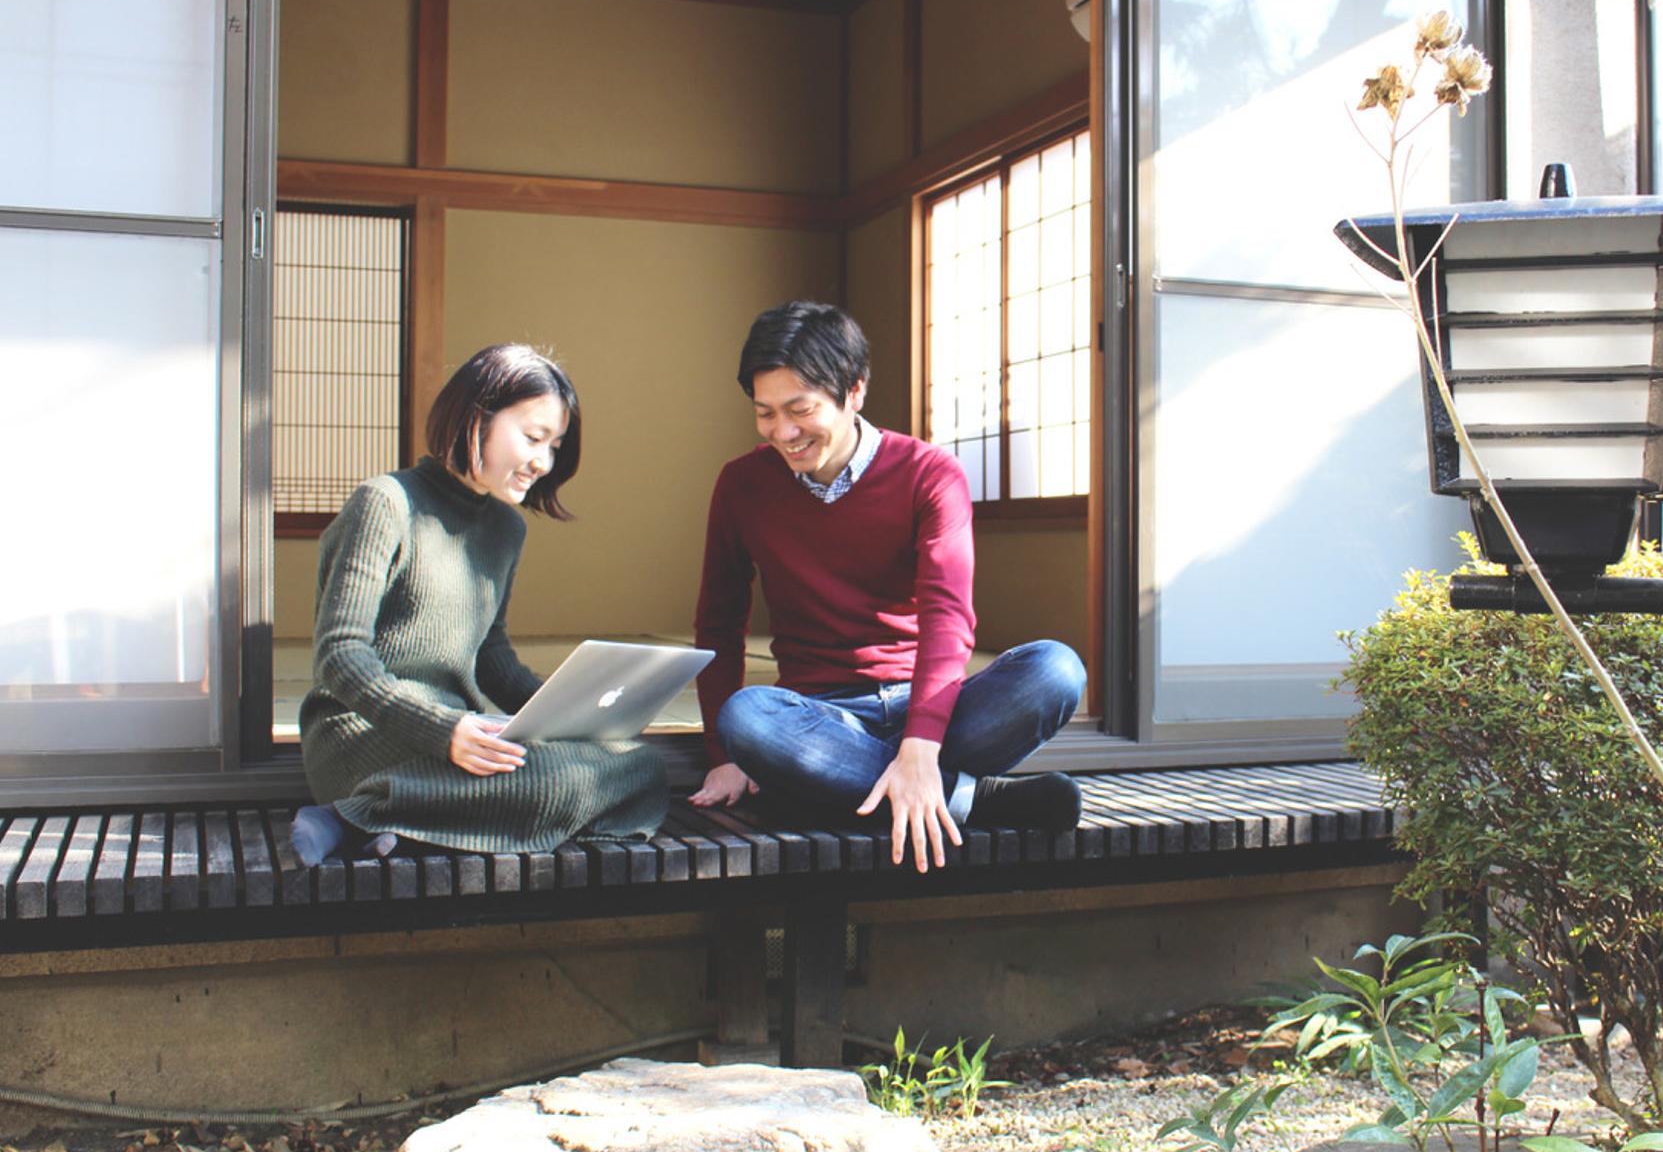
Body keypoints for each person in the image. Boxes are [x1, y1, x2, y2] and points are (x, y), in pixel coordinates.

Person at [688, 300, 1086, 873]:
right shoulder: (742, 485)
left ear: (855, 391)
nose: (783, 432)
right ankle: (973, 799)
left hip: (930, 705)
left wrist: (920, 745)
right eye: (765, 413)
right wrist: (722, 755)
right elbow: (719, 623)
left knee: (1056, 670)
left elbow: (947, 618)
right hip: (821, 717)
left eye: (800, 410)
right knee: (746, 719)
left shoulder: (929, 474)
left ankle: (846, 786)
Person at [290, 344, 667, 867]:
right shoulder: (385, 503)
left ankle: (387, 827)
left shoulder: (505, 528)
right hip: (367, 730)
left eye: (554, 445)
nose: (543, 462)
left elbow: (491, 657)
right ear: (476, 416)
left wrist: (571, 713)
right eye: (532, 438)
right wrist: (441, 729)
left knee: (641, 764)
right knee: (550, 782)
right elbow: (340, 655)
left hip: (461, 729)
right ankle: (357, 812)